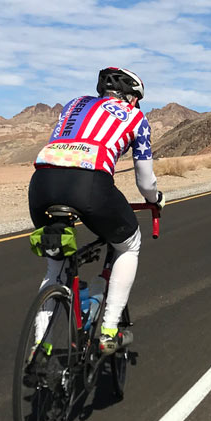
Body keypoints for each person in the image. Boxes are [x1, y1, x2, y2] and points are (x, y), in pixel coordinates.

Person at [28, 67, 163, 354]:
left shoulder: (74, 104)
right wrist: (156, 198)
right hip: (89, 183)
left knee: (56, 264)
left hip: (42, 183)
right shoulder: (136, 117)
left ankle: (41, 349)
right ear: (131, 97)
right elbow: (145, 181)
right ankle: (109, 331)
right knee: (129, 244)